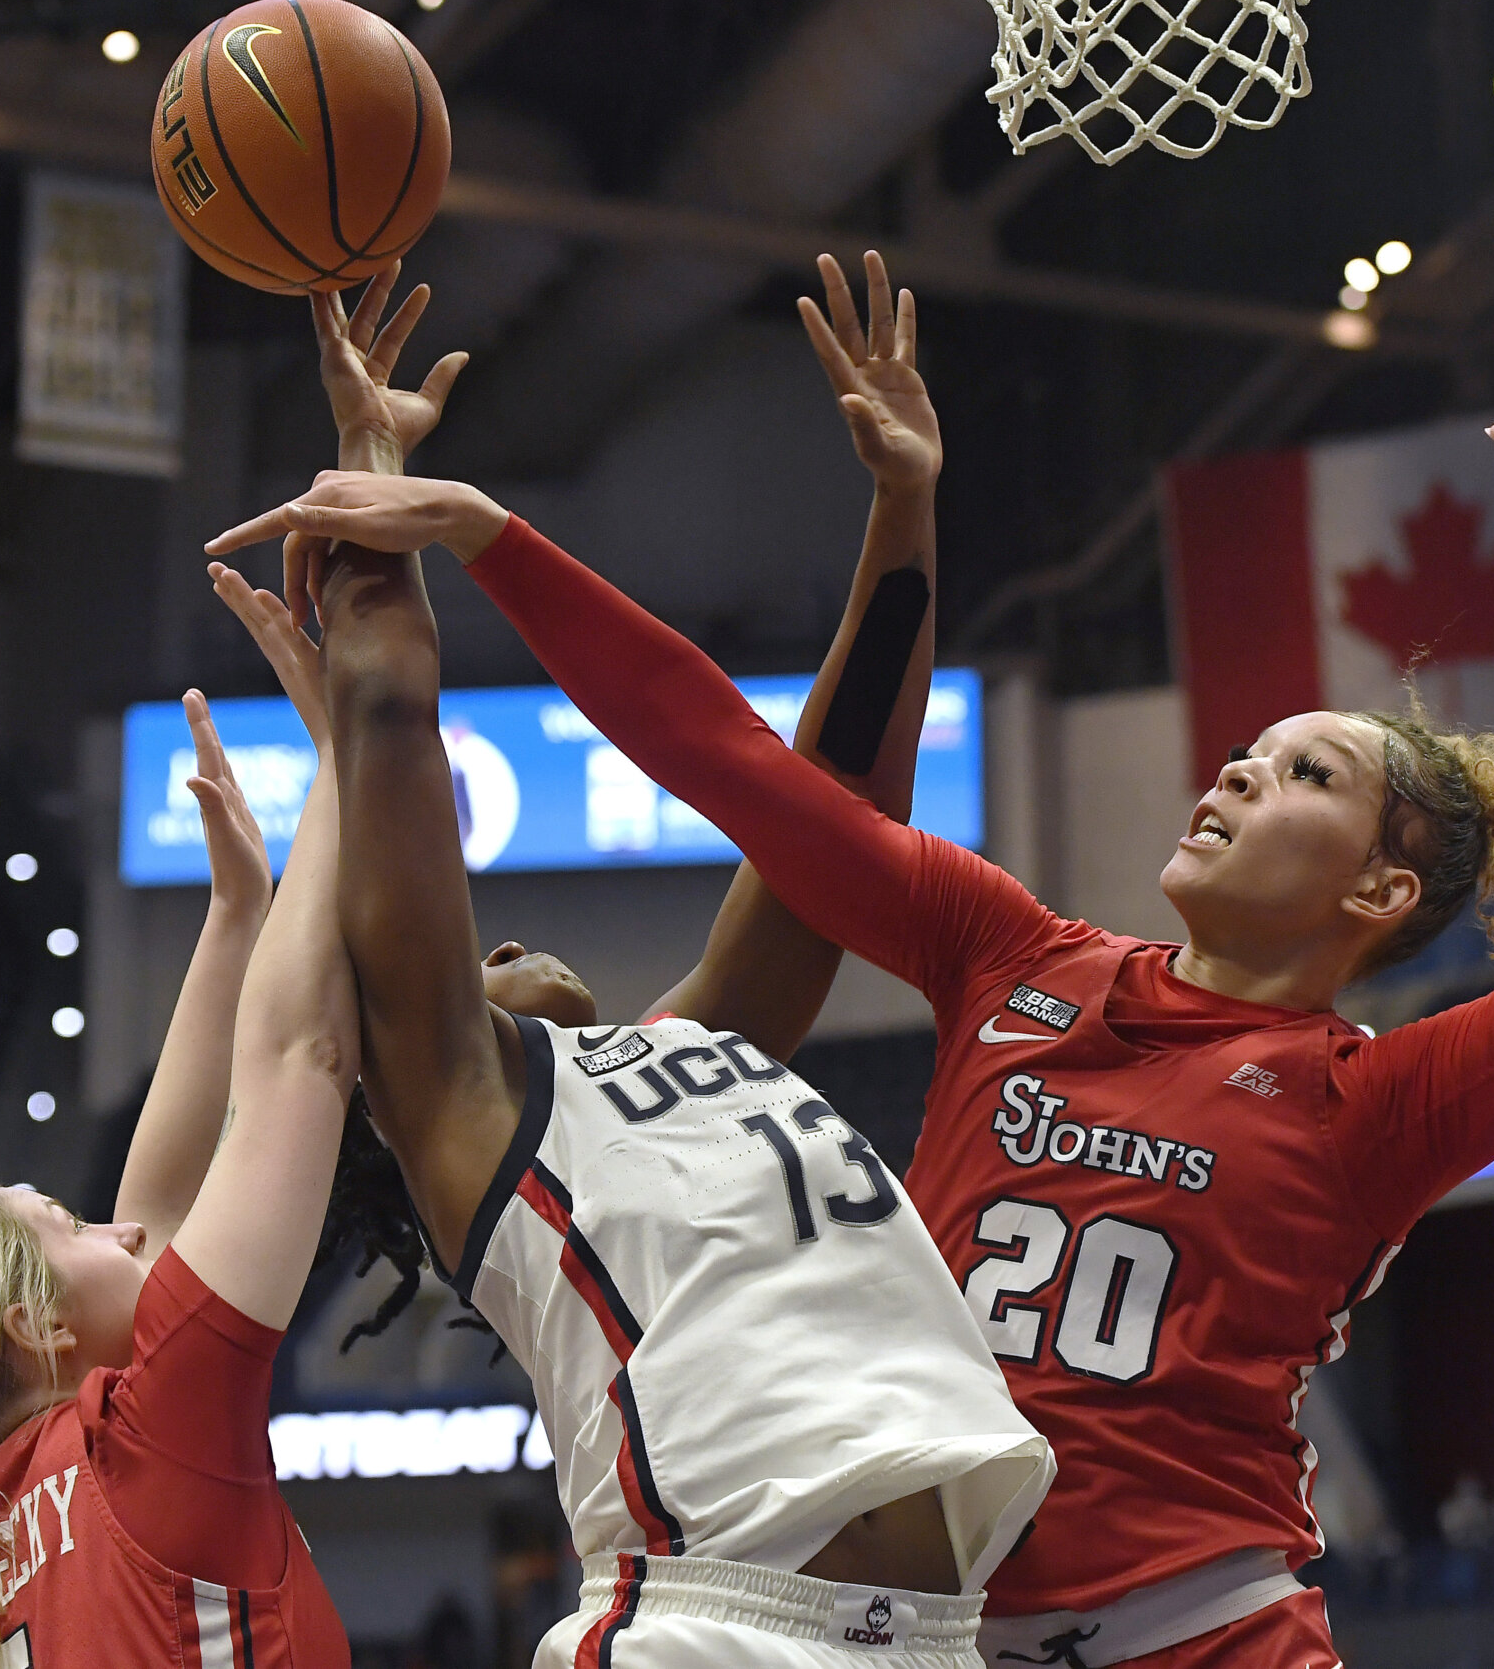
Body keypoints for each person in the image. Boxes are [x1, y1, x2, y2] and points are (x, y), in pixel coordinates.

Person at [218, 279, 1494, 1669]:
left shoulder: (1382, 1100)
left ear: (1380, 887)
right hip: (919, 1639)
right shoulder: (1016, 951)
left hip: (1204, 1631)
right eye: (1249, 750)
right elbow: (735, 760)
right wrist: (496, 538)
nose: (1235, 768)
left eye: (1302, 773)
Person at [226, 254, 1053, 1668]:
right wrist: (369, 481)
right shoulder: (464, 1118)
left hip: (929, 1635)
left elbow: (840, 803)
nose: (490, 940)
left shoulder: (687, 1050)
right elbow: (392, 720)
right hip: (713, 1619)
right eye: (456, 962)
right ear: (383, 1071)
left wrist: (904, 508)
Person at [0, 668, 357, 1669]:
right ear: (37, 1326)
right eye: (75, 1228)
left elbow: (153, 1207)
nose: (118, 1230)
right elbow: (308, 1056)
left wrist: (237, 910)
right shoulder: (150, 1434)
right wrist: (343, 755)